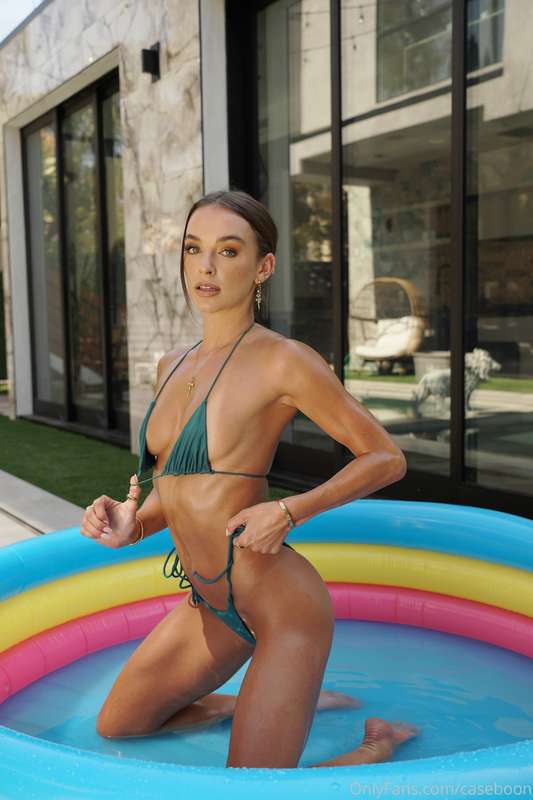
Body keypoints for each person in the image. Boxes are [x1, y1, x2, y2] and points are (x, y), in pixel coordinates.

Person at [81, 189, 418, 769]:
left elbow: (385, 457)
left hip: (281, 605)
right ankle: (251, 706)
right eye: (194, 249)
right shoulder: (171, 365)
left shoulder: (283, 360)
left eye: (228, 251)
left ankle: (377, 744)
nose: (206, 267)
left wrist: (288, 511)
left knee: (251, 792)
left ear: (263, 267)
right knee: (119, 725)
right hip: (212, 602)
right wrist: (131, 524)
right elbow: (180, 488)